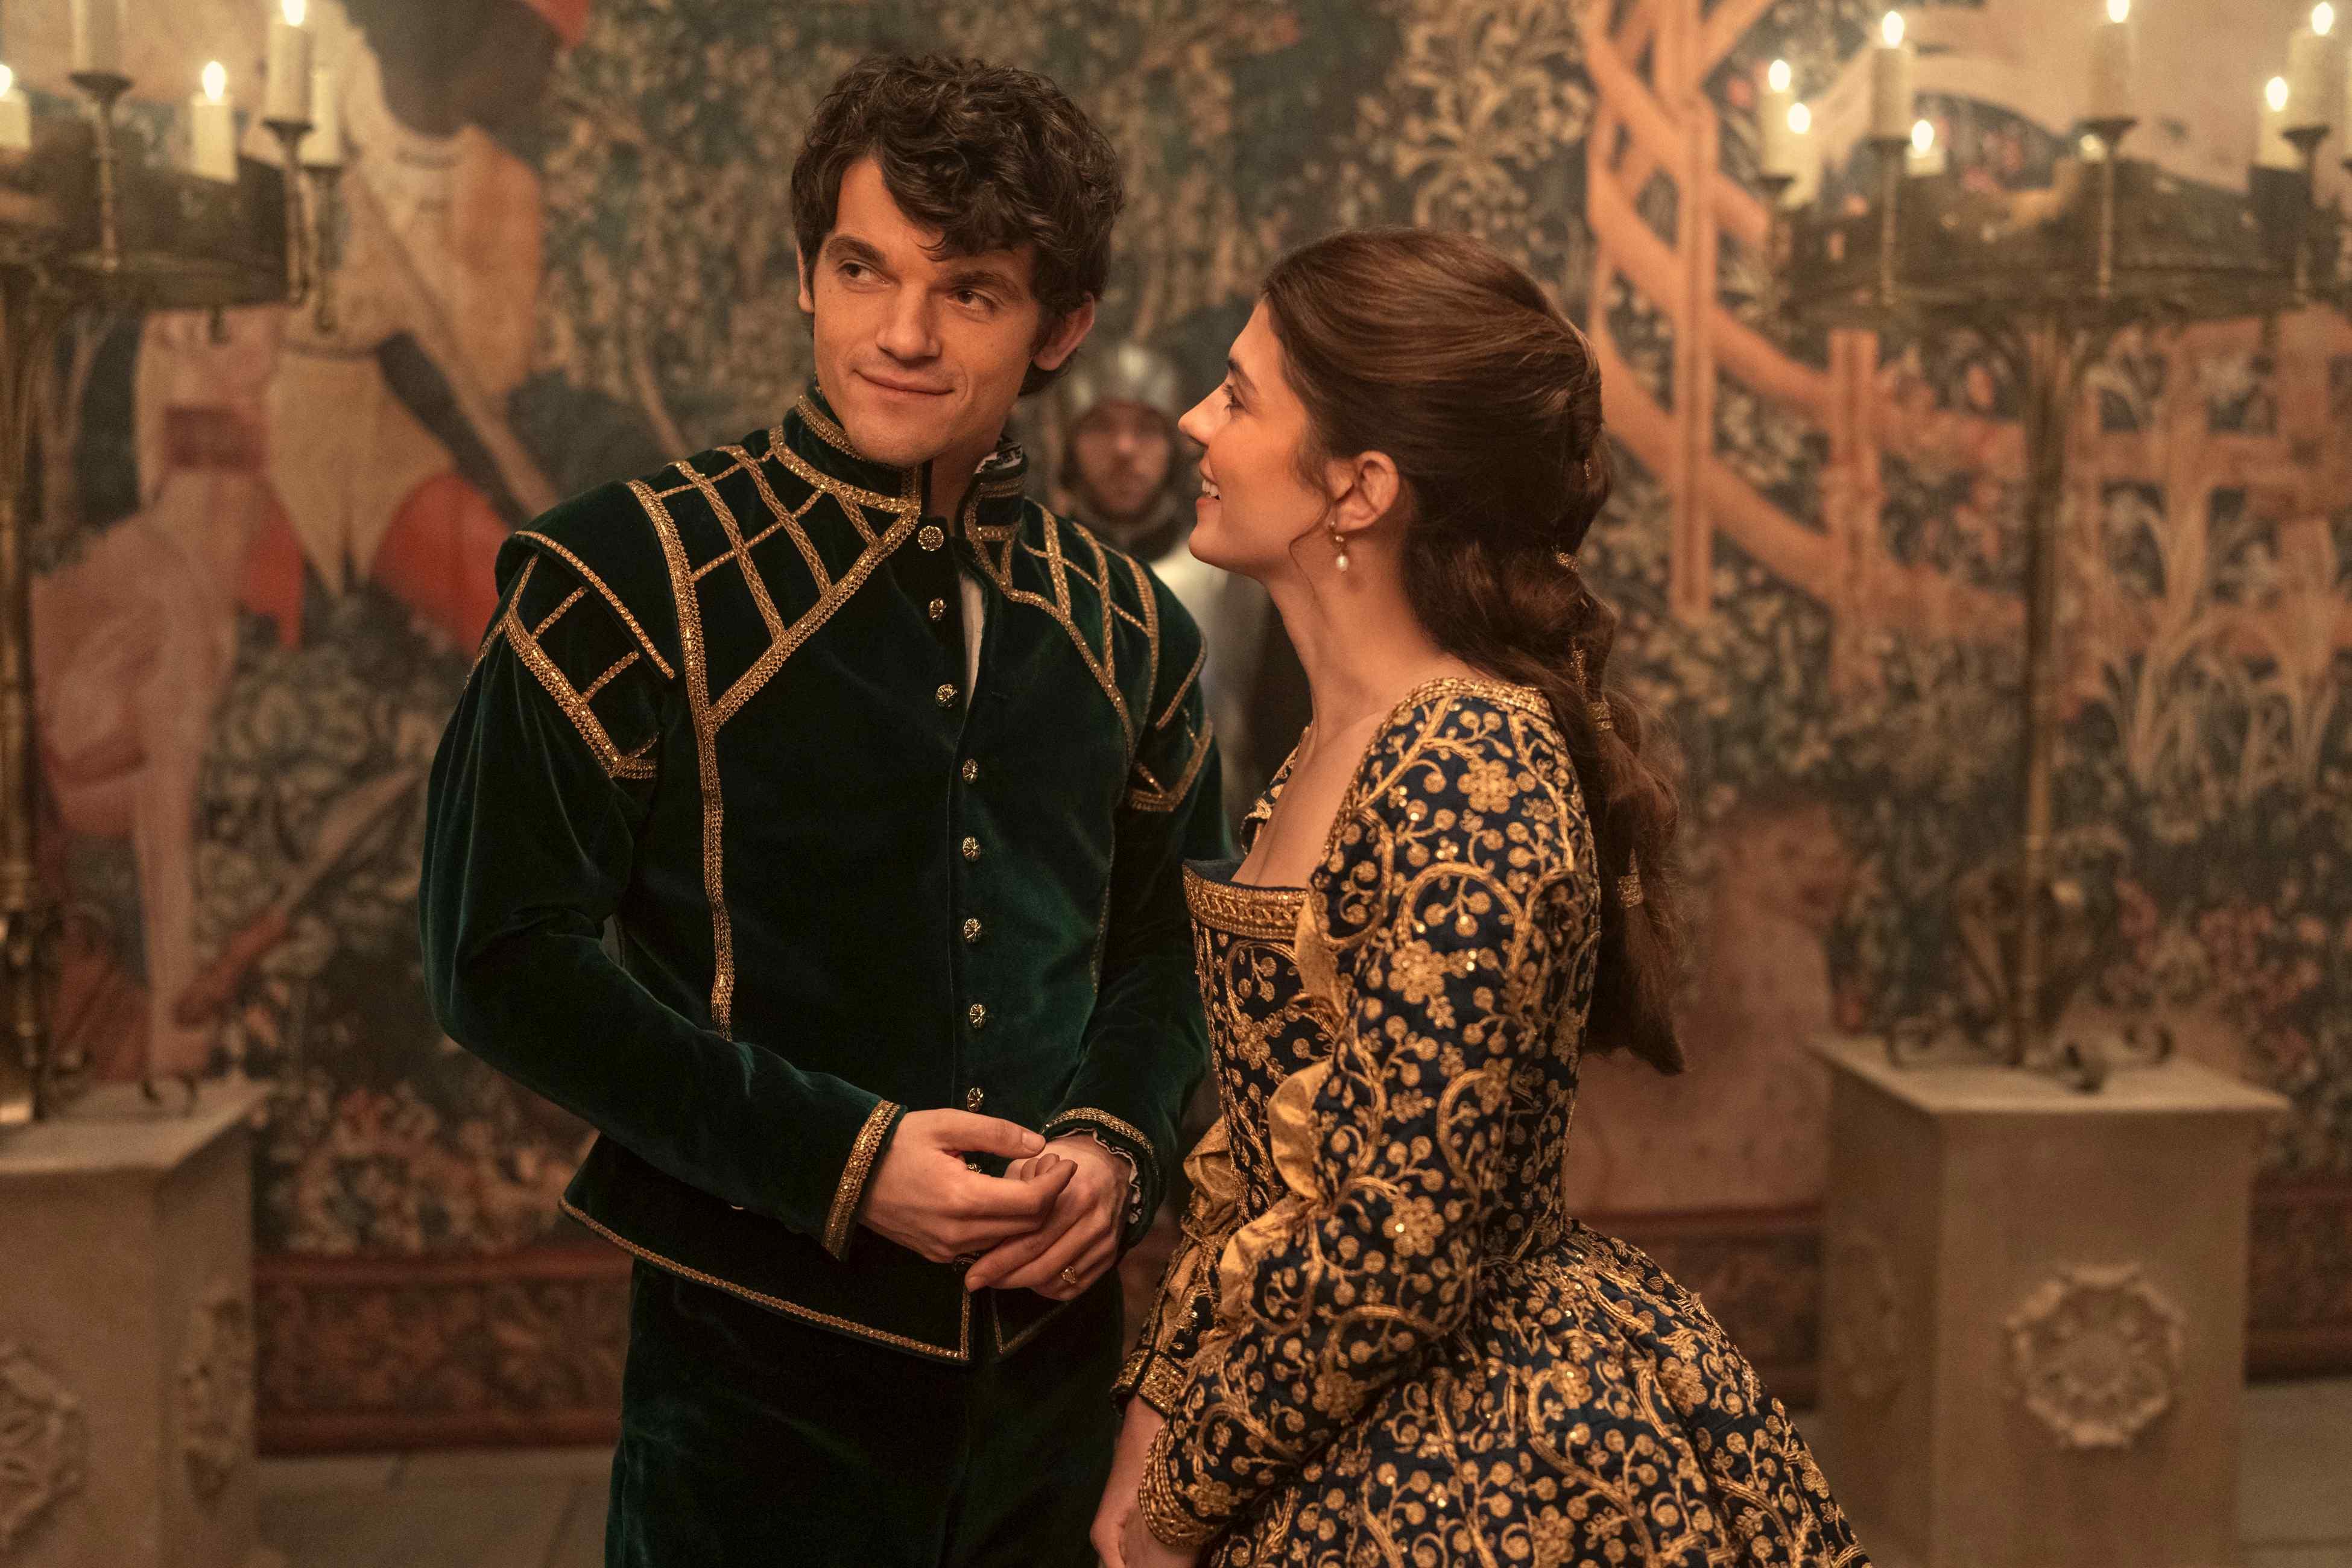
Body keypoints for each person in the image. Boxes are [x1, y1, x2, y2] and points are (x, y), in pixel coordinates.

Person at [421, 55, 1227, 1566]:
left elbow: (1173, 947)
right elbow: (499, 958)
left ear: (1062, 328)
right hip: (751, 1401)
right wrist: (840, 1160)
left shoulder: (1134, 630)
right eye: (864, 270)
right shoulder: (620, 577)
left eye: (969, 291)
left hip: (1055, 1392)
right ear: (807, 274)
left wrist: (1119, 1148)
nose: (902, 334)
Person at [1091, 229, 1869, 1567]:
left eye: (1240, 396)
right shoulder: (1336, 744)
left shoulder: (1469, 767)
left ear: (1360, 488)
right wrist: (1154, 1425)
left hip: (1476, 1460)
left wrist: (1177, 1503)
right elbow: (1258, 1177)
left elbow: (1402, 1246)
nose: (1194, 424)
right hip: (1298, 1412)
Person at [1046, 343, 1309, 826]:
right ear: (1067, 440)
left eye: (1147, 428)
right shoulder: (1032, 574)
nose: (1124, 449)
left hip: (1219, 844)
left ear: (1175, 444)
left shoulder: (1236, 581)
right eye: (1101, 426)